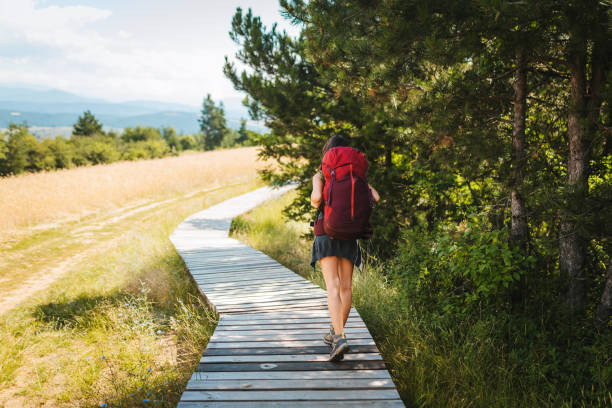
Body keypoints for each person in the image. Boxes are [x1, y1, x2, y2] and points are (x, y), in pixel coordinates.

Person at [309, 135, 380, 361]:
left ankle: (339, 336)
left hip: (326, 231)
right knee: (346, 287)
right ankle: (336, 333)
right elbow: (376, 197)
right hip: (350, 235)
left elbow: (316, 198)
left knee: (332, 285)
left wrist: (317, 196)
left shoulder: (321, 173)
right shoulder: (356, 174)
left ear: (328, 153)